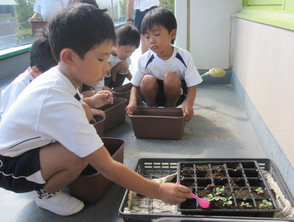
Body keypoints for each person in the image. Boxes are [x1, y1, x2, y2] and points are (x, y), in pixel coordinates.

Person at [0, 4, 190, 216]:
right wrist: (157, 190)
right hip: (9, 167)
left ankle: (48, 174)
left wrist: (86, 107)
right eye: (101, 58)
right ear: (69, 57)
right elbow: (106, 165)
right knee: (79, 156)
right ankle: (46, 195)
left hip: (24, 151)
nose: (107, 67)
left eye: (108, 58)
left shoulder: (58, 77)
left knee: (80, 142)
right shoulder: (56, 99)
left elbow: (74, 102)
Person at [126, 8, 203, 123]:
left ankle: (169, 109)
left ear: (172, 34)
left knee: (170, 77)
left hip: (175, 95)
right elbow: (135, 85)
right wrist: (132, 102)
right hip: (153, 94)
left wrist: (188, 104)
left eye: (157, 34)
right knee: (146, 80)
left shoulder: (184, 57)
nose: (151, 40)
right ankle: (152, 109)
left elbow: (192, 85)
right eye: (147, 36)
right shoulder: (145, 59)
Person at [0, 34, 57, 120]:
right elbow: (12, 122)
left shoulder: (37, 78)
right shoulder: (19, 89)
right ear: (35, 70)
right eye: (51, 76)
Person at [104, 24, 140, 88]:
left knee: (125, 65)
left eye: (132, 52)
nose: (129, 55)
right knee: (106, 66)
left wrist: (135, 83)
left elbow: (126, 70)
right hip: (102, 83)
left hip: (113, 80)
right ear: (115, 44)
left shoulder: (125, 55)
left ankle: (117, 89)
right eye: (127, 52)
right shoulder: (106, 54)